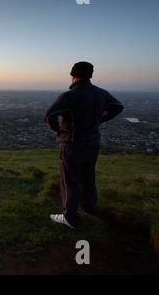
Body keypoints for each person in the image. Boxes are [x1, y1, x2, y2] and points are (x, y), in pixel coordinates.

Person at [44, 61, 124, 228]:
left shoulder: (70, 95)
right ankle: (88, 208)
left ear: (72, 75)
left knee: (70, 180)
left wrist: (58, 130)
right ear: (90, 75)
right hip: (93, 143)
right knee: (88, 177)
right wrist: (99, 120)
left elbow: (49, 114)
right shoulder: (101, 93)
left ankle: (70, 217)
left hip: (73, 145)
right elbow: (117, 107)